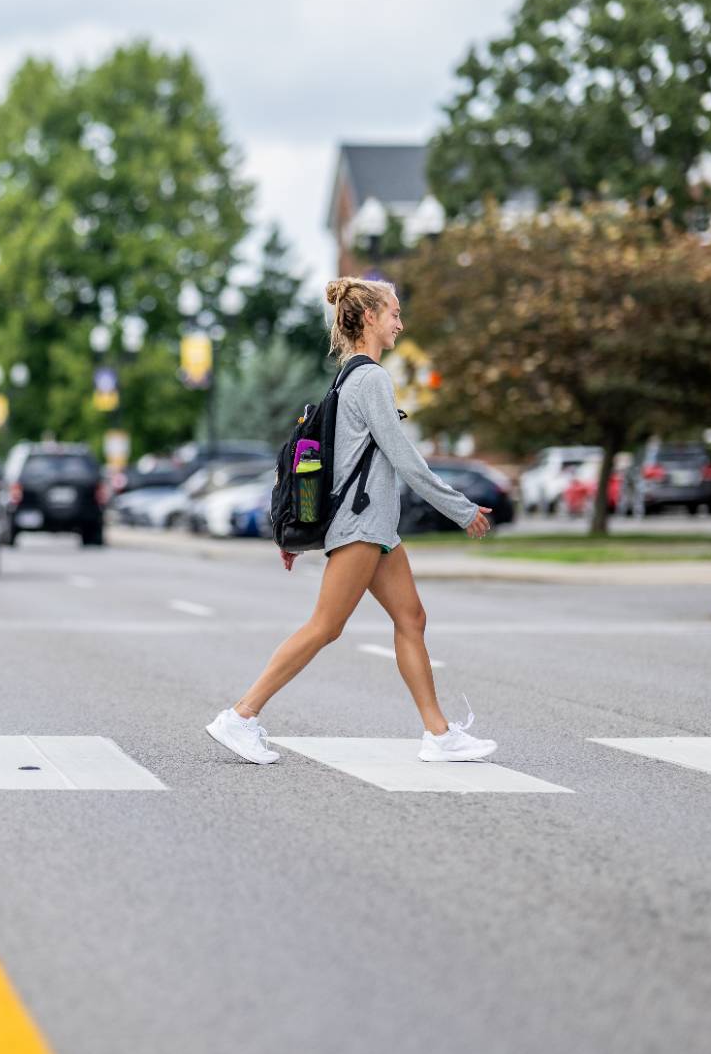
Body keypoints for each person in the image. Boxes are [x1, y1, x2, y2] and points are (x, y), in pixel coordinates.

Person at [206, 277, 498, 766]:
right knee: (325, 626)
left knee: (412, 619)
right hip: (361, 526)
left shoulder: (348, 378)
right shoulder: (370, 379)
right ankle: (240, 716)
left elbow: (332, 463)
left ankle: (439, 734)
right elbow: (405, 459)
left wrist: (300, 533)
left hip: (376, 528)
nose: (400, 324)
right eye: (394, 314)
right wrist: (461, 509)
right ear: (369, 317)